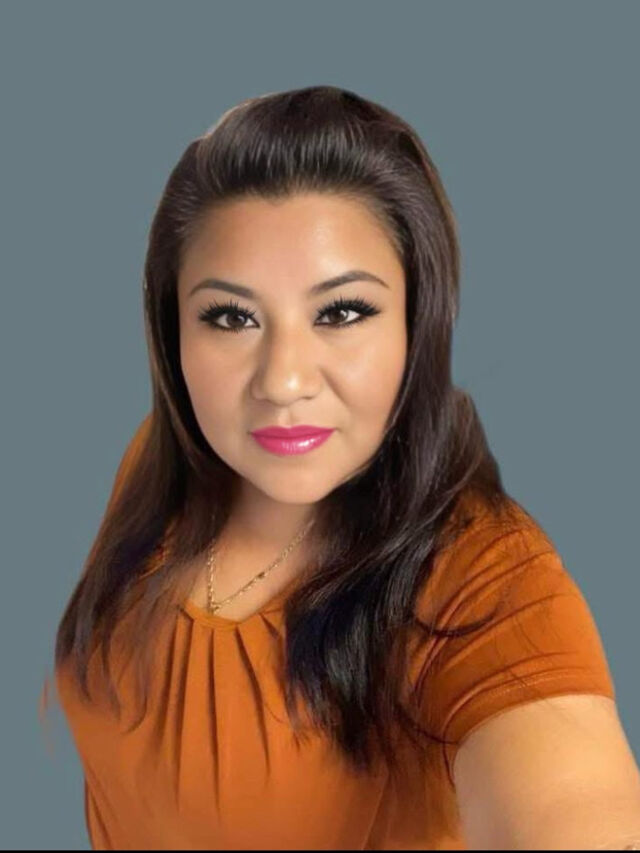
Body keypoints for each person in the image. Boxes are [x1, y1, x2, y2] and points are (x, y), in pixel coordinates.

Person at [39, 85, 640, 850]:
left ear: (418, 322)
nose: (283, 381)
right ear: (173, 331)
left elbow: (573, 802)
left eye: (342, 311)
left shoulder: (485, 578)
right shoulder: (161, 464)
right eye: (231, 317)